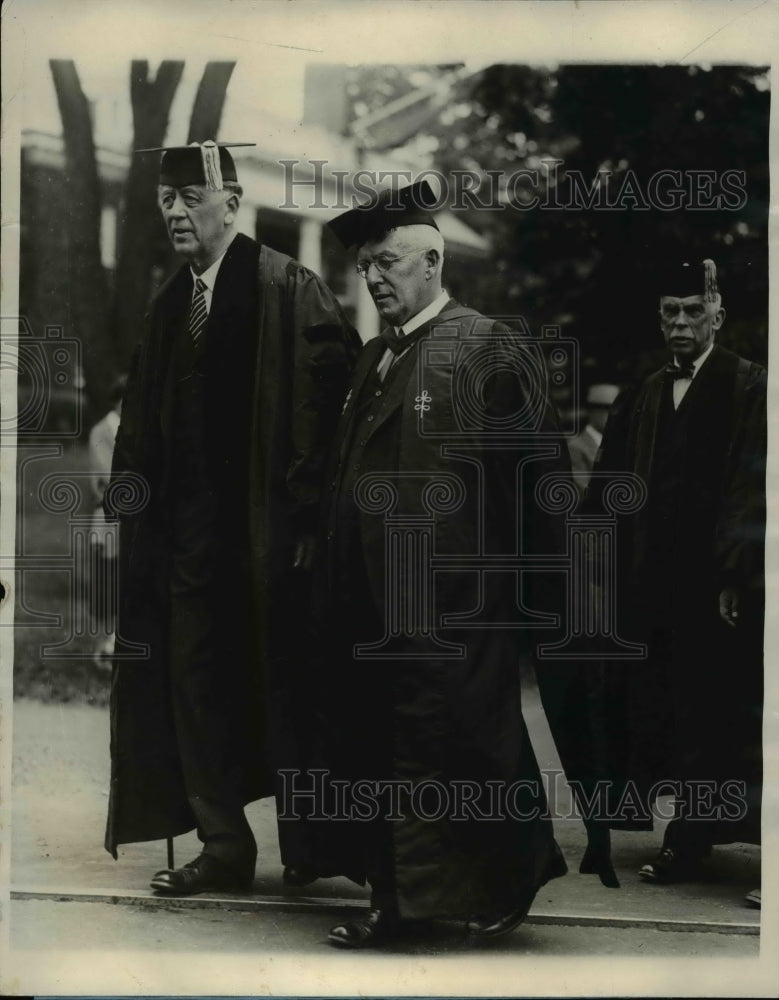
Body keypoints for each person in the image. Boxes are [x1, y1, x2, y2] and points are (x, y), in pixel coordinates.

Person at [305, 179, 576, 948]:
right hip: (373, 599)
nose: (373, 277)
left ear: (432, 261)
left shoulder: (487, 347)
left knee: (459, 748)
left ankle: (451, 898)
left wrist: (534, 595)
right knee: (394, 746)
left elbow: (540, 481)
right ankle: (420, 897)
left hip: (460, 601)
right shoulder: (373, 359)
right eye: (364, 266)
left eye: (387, 262)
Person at [104, 140, 359, 895]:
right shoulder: (169, 304)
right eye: (166, 200)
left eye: (192, 198)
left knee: (288, 684)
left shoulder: (286, 287)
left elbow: (326, 411)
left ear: (233, 203)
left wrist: (307, 523)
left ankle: (314, 844)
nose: (177, 212)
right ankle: (224, 843)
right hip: (186, 543)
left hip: (269, 537)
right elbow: (141, 421)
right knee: (193, 683)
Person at [585, 259, 765, 890]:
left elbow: (753, 486)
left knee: (712, 714)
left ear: (718, 314)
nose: (682, 322)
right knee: (660, 707)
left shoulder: (749, 385)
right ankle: (685, 833)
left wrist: (735, 575)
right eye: (671, 312)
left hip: (716, 591)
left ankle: (689, 841)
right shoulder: (644, 393)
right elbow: (610, 483)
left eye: (693, 310)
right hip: (651, 584)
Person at [87, 374, 126, 667]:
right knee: (107, 581)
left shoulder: (131, 430)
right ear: (118, 400)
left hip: (130, 516)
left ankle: (118, 643)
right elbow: (107, 475)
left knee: (123, 579)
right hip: (110, 516)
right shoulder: (102, 431)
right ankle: (105, 645)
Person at [567, 383, 620, 495]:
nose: (614, 416)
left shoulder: (617, 444)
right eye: (608, 409)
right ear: (592, 410)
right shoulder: (575, 448)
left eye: (617, 411)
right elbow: (582, 490)